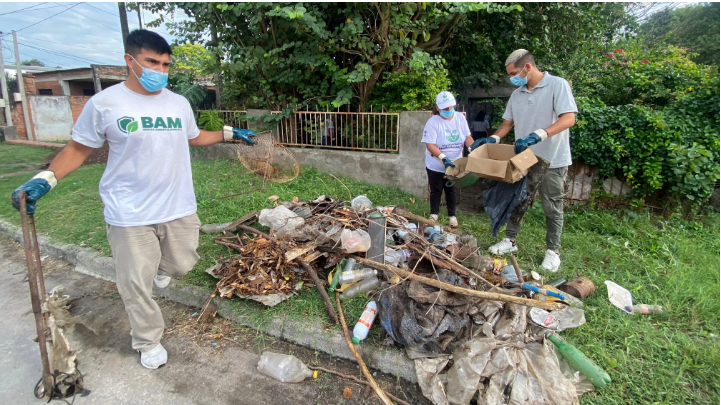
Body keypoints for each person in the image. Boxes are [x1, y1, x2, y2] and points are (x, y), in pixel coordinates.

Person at [10, 30, 256, 369]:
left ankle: (159, 269)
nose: (160, 70)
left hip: (178, 205)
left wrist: (230, 134)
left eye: (165, 64)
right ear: (130, 60)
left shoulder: (177, 103)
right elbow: (78, 149)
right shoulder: (104, 104)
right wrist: (45, 179)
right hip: (128, 210)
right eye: (152, 62)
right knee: (135, 284)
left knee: (182, 263)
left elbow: (194, 136)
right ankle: (148, 341)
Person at [469, 49, 577, 272]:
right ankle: (510, 240)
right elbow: (507, 123)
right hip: (524, 159)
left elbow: (569, 118)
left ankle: (553, 251)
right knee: (516, 200)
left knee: (552, 205)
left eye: (513, 73)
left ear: (527, 67)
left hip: (553, 158)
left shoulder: (557, 85)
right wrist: (493, 138)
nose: (512, 78)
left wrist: (540, 134)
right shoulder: (516, 94)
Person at [422, 91, 475, 228]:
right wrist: (443, 158)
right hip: (436, 164)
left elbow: (467, 137)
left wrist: (473, 148)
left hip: (455, 163)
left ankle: (452, 216)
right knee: (436, 189)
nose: (449, 109)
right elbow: (430, 145)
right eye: (445, 108)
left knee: (451, 190)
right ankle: (434, 214)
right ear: (438, 108)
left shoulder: (460, 118)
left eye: (451, 106)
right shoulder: (433, 122)